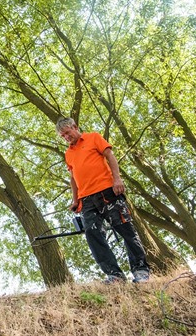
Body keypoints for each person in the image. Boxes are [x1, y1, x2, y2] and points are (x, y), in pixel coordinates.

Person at [56, 117, 150, 284]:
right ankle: (115, 275)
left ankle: (140, 270)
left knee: (125, 228)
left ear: (75, 127)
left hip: (107, 191)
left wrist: (117, 179)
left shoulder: (93, 137)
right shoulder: (68, 154)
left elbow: (110, 156)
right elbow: (73, 178)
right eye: (63, 136)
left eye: (67, 132)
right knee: (93, 234)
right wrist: (75, 200)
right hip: (86, 200)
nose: (66, 137)